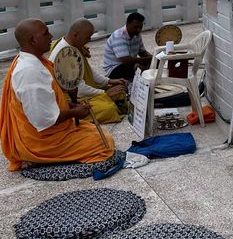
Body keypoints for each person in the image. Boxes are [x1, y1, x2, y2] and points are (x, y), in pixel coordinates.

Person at [0, 18, 115, 172]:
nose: (51, 36)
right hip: (40, 142)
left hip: (50, 132)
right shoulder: (30, 71)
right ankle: (38, 158)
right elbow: (42, 119)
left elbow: (46, 102)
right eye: (46, 33)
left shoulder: (33, 61)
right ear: (33, 40)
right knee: (103, 144)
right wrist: (74, 112)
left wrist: (69, 105)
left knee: (94, 130)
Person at [49, 18, 128, 123]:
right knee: (108, 109)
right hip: (70, 98)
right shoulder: (64, 54)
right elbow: (78, 89)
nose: (89, 40)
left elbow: (88, 71)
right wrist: (104, 93)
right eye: (88, 37)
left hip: (82, 90)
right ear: (75, 35)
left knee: (118, 90)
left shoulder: (74, 46)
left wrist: (109, 81)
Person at [102, 12, 152, 81]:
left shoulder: (137, 35)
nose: (138, 30)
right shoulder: (118, 36)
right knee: (136, 66)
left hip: (129, 64)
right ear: (127, 24)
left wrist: (154, 58)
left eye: (140, 27)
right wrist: (148, 59)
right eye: (136, 27)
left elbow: (142, 52)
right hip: (114, 69)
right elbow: (126, 60)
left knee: (153, 62)